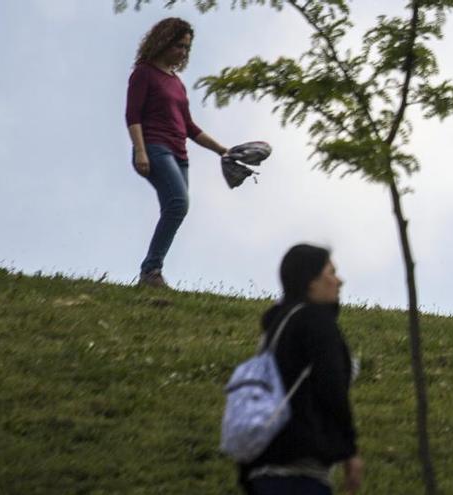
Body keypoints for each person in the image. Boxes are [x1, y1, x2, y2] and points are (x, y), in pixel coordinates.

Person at [241, 244, 363, 495]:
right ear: (311, 282)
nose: (339, 281)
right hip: (299, 469)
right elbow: (331, 387)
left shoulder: (276, 326)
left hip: (261, 466)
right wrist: (348, 449)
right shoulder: (316, 322)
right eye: (331, 272)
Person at [125, 17, 228, 289]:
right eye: (178, 46)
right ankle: (151, 271)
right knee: (178, 203)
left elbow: (190, 127)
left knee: (175, 209)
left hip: (180, 154)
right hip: (154, 148)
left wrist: (221, 150)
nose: (182, 52)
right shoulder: (143, 73)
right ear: (162, 42)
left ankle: (151, 272)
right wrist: (140, 151)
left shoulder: (177, 83)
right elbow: (132, 115)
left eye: (186, 48)